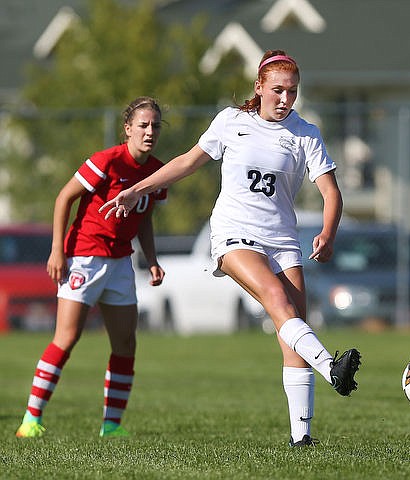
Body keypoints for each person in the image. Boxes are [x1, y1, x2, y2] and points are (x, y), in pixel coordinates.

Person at [100, 50, 361, 447]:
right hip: (234, 234)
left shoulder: (305, 133)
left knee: (291, 330)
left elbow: (331, 192)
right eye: (277, 90)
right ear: (259, 87)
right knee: (277, 300)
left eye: (292, 92)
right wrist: (137, 188)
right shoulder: (231, 121)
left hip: (283, 240)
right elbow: (188, 162)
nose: (285, 99)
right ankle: (331, 367)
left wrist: (328, 231)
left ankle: (302, 438)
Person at [15, 97, 167, 438]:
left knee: (126, 343)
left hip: (121, 263)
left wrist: (152, 260)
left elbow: (143, 219)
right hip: (84, 257)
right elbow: (63, 198)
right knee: (67, 338)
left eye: (155, 125)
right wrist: (57, 251)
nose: (149, 131)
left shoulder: (157, 171)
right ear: (127, 129)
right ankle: (30, 421)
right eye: (143, 125)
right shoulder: (107, 161)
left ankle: (112, 426)